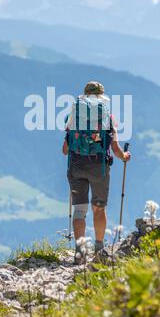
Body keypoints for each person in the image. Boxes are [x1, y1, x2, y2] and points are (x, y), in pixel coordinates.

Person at [62, 81, 131, 264]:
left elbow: (64, 150)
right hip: (98, 167)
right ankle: (99, 249)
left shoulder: (75, 116)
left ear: (84, 96)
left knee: (79, 210)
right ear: (102, 97)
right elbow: (115, 148)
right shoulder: (107, 116)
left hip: (76, 166)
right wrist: (124, 156)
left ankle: (80, 253)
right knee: (99, 208)